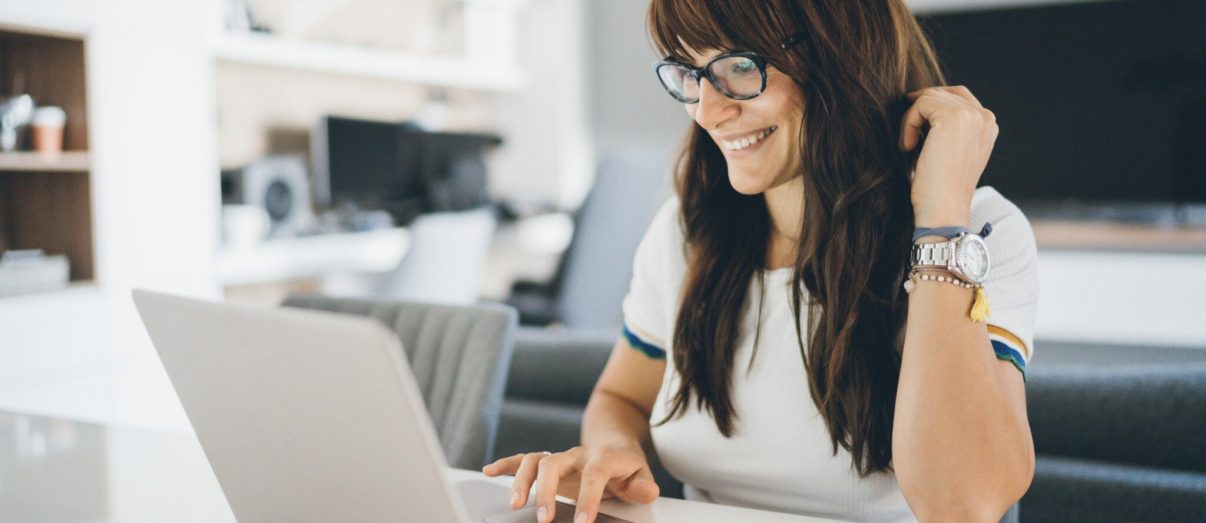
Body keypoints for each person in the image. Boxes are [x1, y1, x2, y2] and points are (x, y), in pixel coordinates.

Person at [484, 0, 1038, 521]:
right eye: (690, 74)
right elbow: (620, 395)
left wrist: (940, 217)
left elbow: (963, 507)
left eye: (740, 67)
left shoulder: (979, 234)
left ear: (841, 56)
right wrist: (611, 450)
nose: (708, 112)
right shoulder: (688, 231)